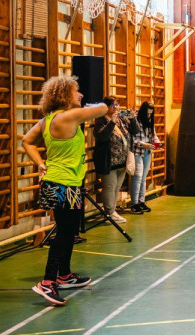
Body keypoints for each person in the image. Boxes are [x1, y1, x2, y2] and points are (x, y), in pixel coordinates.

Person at [22, 76, 108, 306]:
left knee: (68, 231)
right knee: (65, 233)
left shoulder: (46, 120)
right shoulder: (69, 116)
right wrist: (93, 105)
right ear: (64, 95)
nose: (80, 95)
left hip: (60, 182)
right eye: (77, 91)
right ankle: (47, 282)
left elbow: (27, 141)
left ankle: (64, 275)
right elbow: (103, 108)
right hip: (63, 184)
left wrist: (40, 162)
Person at [93, 96, 139, 223]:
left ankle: (112, 211)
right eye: (113, 105)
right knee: (109, 186)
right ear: (106, 107)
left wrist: (133, 118)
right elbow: (102, 137)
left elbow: (135, 131)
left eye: (117, 105)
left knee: (117, 187)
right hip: (109, 161)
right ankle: (109, 213)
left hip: (122, 160)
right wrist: (112, 122)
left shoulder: (121, 119)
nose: (116, 108)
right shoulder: (101, 121)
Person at [129, 101, 159, 214]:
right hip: (137, 152)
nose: (149, 115)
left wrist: (157, 143)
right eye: (147, 113)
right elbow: (132, 139)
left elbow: (153, 135)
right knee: (138, 177)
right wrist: (144, 144)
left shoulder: (150, 121)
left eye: (151, 113)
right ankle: (134, 204)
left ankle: (141, 201)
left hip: (147, 152)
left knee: (143, 178)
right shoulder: (135, 120)